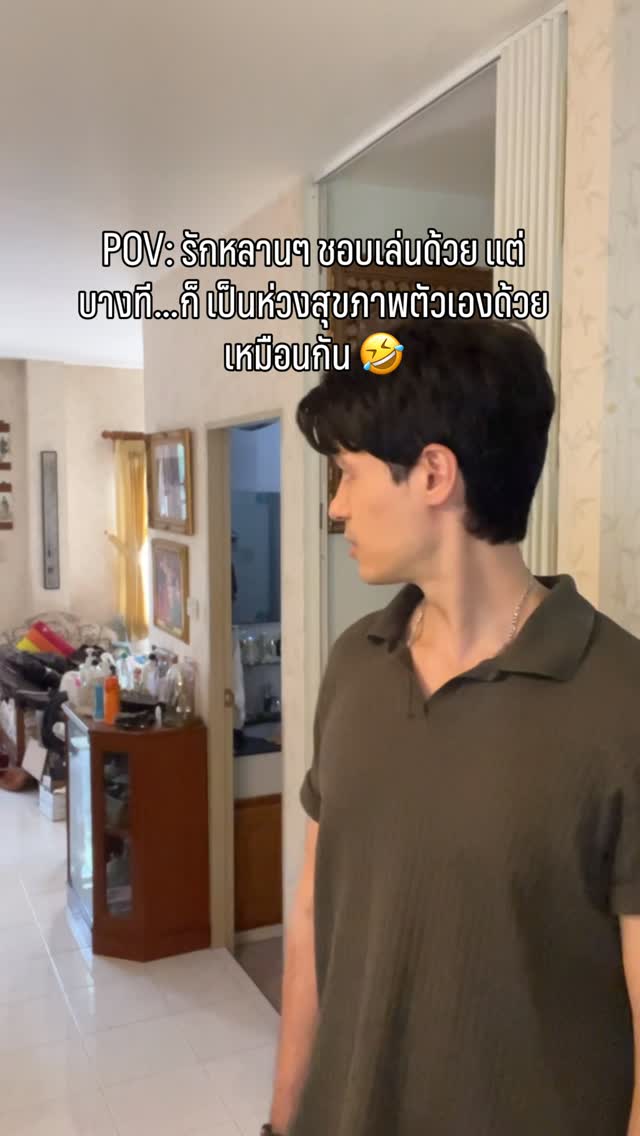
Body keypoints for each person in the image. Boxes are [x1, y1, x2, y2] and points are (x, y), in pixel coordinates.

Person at [262, 318, 640, 1136]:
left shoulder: (622, 699)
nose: (336, 506)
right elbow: (314, 922)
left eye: (347, 473)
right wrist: (281, 1121)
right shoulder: (354, 664)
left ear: (433, 473)